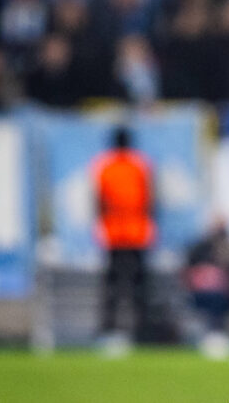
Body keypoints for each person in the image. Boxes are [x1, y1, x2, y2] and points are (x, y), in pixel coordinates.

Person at [91, 126, 156, 342]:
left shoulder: (104, 167)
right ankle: (142, 331)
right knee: (139, 287)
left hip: (114, 234)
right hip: (137, 234)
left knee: (112, 286)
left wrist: (102, 225)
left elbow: (99, 202)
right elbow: (150, 201)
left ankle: (109, 330)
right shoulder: (140, 166)